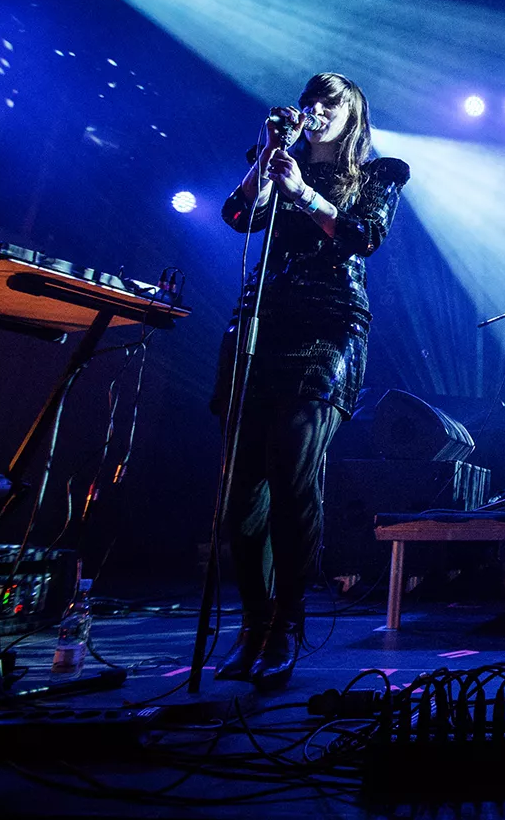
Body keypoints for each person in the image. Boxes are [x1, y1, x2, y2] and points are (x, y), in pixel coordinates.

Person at [212, 73, 408, 688]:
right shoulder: (276, 160)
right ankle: (253, 622)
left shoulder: (378, 175)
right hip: (261, 323)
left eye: (330, 102)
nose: (316, 109)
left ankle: (286, 624)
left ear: (353, 116)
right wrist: (269, 162)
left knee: (292, 471)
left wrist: (303, 195)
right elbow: (237, 217)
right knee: (241, 490)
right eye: (310, 100)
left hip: (328, 326)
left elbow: (361, 237)